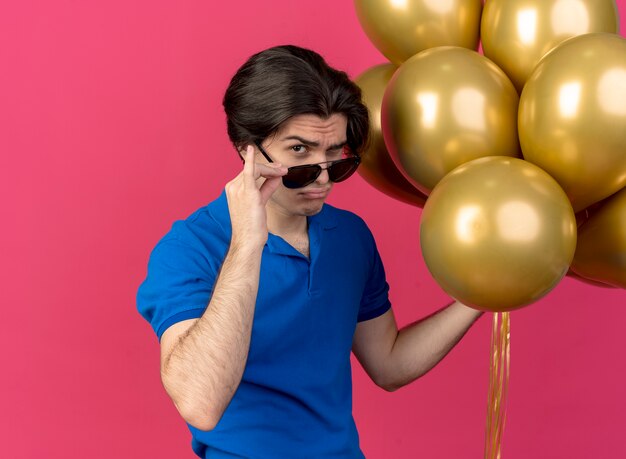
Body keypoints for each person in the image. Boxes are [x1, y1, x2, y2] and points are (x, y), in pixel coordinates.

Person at [137, 45, 483, 458]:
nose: (322, 179)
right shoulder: (189, 249)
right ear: (247, 148)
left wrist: (482, 294)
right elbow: (200, 404)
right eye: (299, 153)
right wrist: (248, 241)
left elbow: (388, 363)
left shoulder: (349, 237)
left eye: (336, 157)